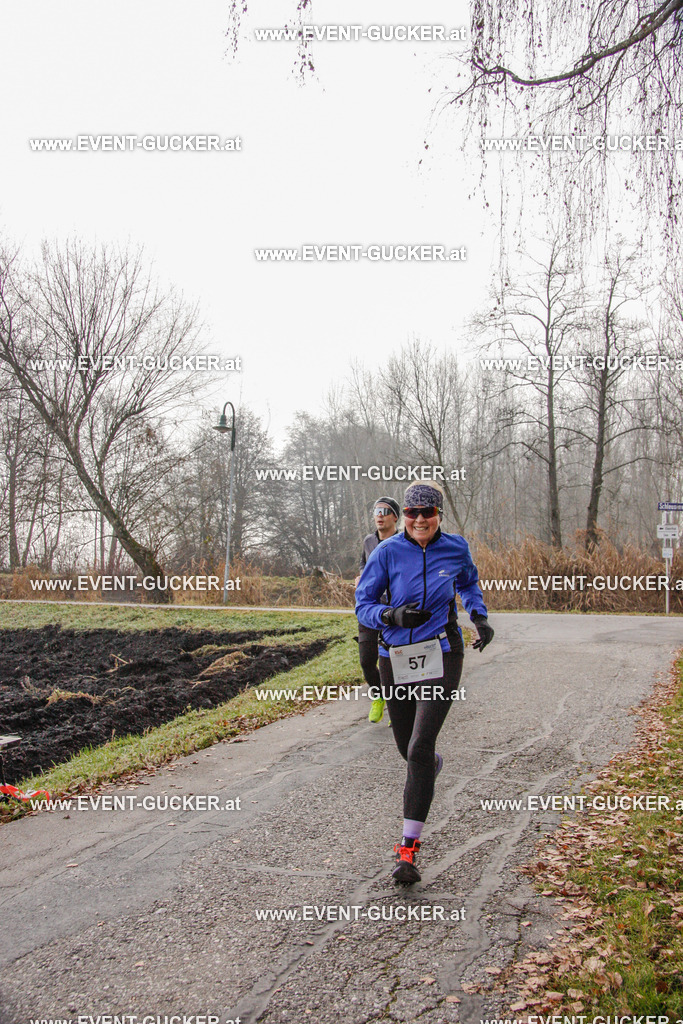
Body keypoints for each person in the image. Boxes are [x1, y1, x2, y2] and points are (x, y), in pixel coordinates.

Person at [355, 482, 494, 884]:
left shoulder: (456, 547)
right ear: (405, 518)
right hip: (394, 657)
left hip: (442, 653)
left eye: (427, 512)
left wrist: (479, 617)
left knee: (419, 744)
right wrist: (391, 616)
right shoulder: (386, 552)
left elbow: (468, 582)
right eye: (412, 512)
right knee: (409, 750)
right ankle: (428, 765)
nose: (419, 520)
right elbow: (363, 604)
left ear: (438, 515)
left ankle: (407, 851)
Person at [354, 497, 401, 723]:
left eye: (385, 511)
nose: (380, 515)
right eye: (376, 511)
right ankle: (379, 696)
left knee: (395, 659)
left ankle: (397, 704)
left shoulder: (404, 542)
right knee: (366, 659)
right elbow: (364, 565)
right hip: (370, 608)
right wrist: (361, 577)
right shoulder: (368, 541)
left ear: (395, 517)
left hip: (395, 609)